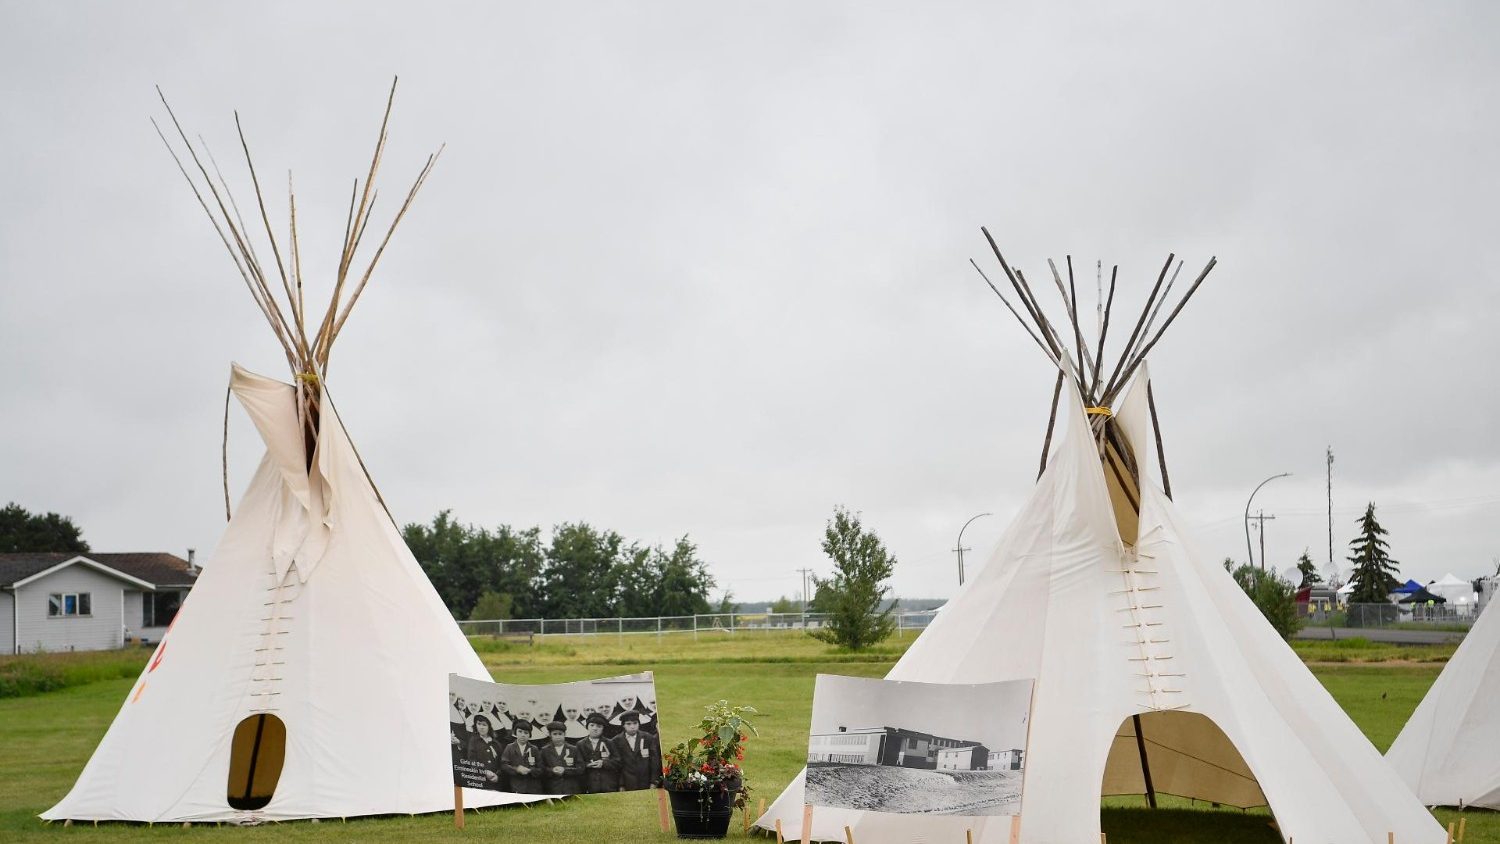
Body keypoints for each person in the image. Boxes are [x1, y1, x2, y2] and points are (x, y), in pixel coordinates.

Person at [614, 710, 661, 791]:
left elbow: (654, 761)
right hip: (627, 784)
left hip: (646, 783)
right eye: (628, 724)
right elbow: (617, 765)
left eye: (635, 723)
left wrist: (654, 782)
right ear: (623, 725)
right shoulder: (616, 741)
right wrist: (621, 785)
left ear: (639, 723)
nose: (632, 726)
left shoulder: (648, 738)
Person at [576, 712, 621, 793]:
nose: (595, 728)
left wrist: (603, 763)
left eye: (599, 726)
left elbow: (618, 762)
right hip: (589, 785)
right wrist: (587, 765)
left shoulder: (609, 742)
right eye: (592, 725)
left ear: (603, 728)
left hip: (608, 785)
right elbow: (578, 764)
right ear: (587, 727)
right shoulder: (580, 744)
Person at [539, 721, 584, 795]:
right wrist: (552, 770)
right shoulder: (544, 751)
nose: (558, 737)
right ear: (550, 735)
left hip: (571, 789)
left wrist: (565, 770)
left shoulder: (573, 749)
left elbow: (581, 768)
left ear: (565, 734)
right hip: (553, 789)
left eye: (560, 734)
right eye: (555, 734)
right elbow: (541, 769)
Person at [501, 722, 544, 794]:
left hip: (533, 787)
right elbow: (504, 765)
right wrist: (516, 769)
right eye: (520, 732)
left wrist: (530, 770)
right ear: (515, 733)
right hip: (516, 786)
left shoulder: (534, 749)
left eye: (526, 733)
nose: (523, 735)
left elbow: (541, 769)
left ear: (530, 735)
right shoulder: (509, 747)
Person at [464, 713, 503, 789]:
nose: (481, 727)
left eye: (484, 725)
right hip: (479, 781)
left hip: (494, 782)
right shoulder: (473, 741)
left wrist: (497, 776)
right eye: (479, 724)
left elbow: (501, 763)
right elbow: (472, 761)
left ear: (490, 727)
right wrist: (485, 772)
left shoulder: (496, 744)